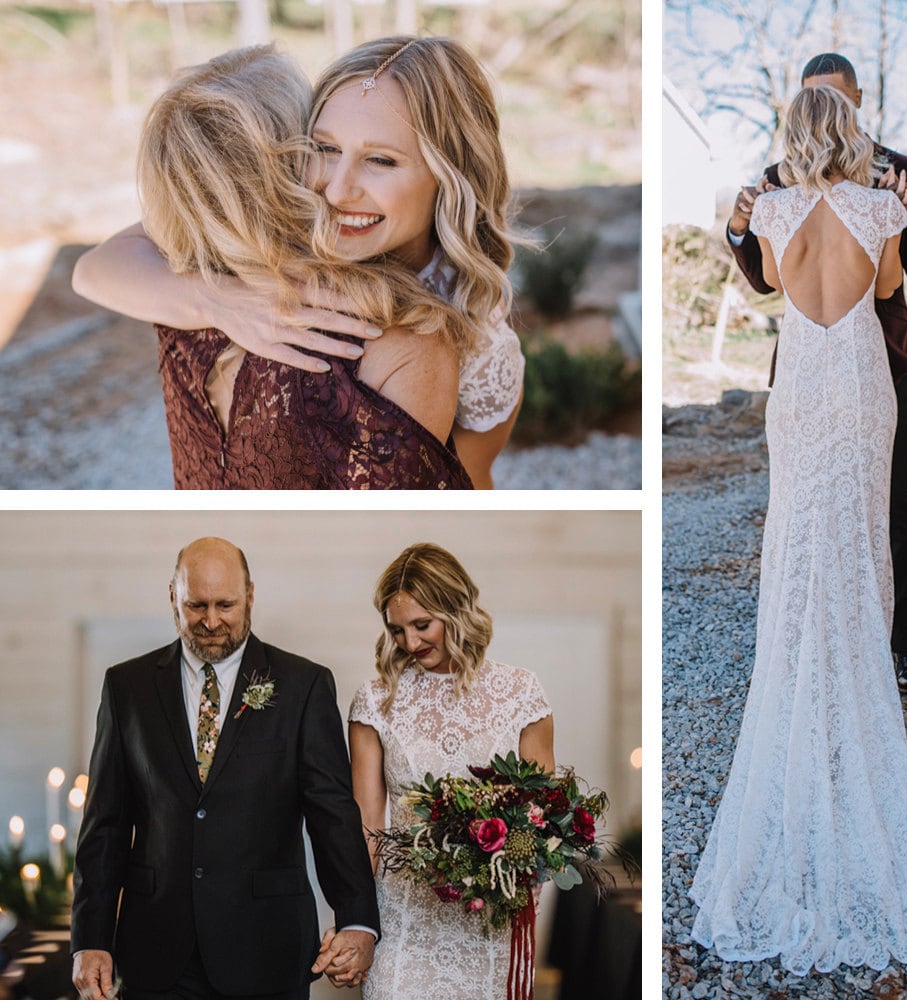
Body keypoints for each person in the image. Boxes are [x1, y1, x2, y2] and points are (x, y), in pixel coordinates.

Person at [690, 86, 907, 973]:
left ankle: (798, 692)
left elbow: (778, 283)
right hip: (860, 382)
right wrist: (884, 222)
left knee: (797, 541)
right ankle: (861, 686)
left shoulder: (772, 207)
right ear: (850, 135)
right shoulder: (875, 205)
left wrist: (768, 223)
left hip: (801, 388)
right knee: (861, 541)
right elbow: (890, 288)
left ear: (793, 138)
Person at [72, 37, 525, 489]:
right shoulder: (286, 220)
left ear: (451, 175)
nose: (337, 190)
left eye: (381, 160)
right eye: (325, 149)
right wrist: (213, 299)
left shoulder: (472, 340)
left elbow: (466, 482)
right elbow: (93, 270)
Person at [71, 537, 379, 999]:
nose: (211, 621)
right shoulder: (126, 687)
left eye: (225, 604)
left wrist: (357, 919)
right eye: (196, 605)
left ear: (250, 595)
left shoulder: (303, 685)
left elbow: (332, 813)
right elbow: (105, 826)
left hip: (267, 947)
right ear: (173, 597)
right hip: (156, 951)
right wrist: (91, 938)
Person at [726, 52, 907, 697]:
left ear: (858, 99)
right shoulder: (776, 185)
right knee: (844, 510)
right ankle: (827, 647)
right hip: (849, 361)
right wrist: (737, 227)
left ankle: (898, 649)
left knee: (883, 508)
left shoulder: (904, 174)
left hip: (878, 361)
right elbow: (878, 282)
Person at [348, 543, 554, 998]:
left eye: (423, 625)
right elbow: (364, 827)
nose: (410, 642)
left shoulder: (520, 692)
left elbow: (543, 816)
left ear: (456, 610)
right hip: (403, 918)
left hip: (489, 918)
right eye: (397, 630)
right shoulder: (375, 700)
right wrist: (358, 923)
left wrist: (509, 871)